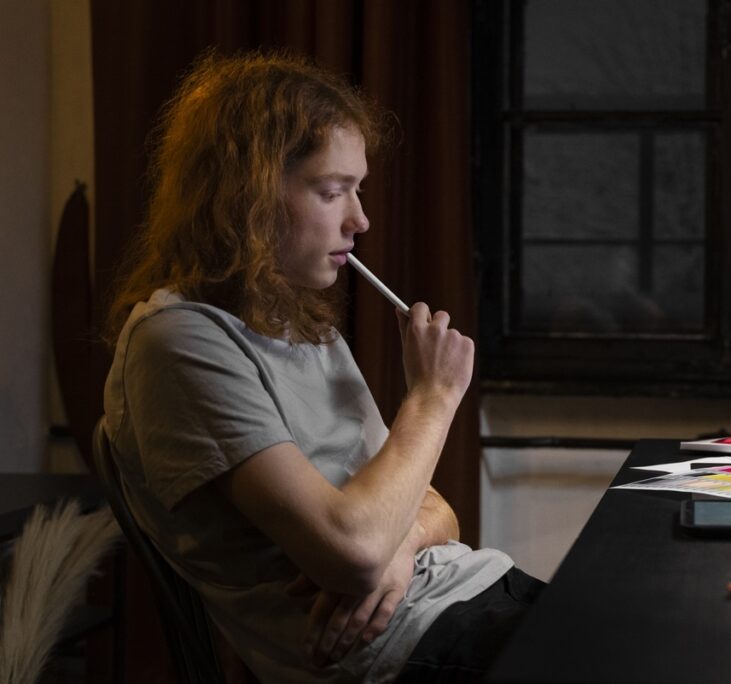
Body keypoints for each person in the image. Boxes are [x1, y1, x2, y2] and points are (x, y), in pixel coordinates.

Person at [102, 51, 542, 682]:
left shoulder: (306, 327)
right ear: (249, 195)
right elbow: (352, 550)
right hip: (404, 646)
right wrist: (432, 397)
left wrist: (397, 552)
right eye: (333, 192)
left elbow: (436, 510)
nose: (360, 219)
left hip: (469, 588)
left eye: (357, 190)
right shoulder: (178, 341)